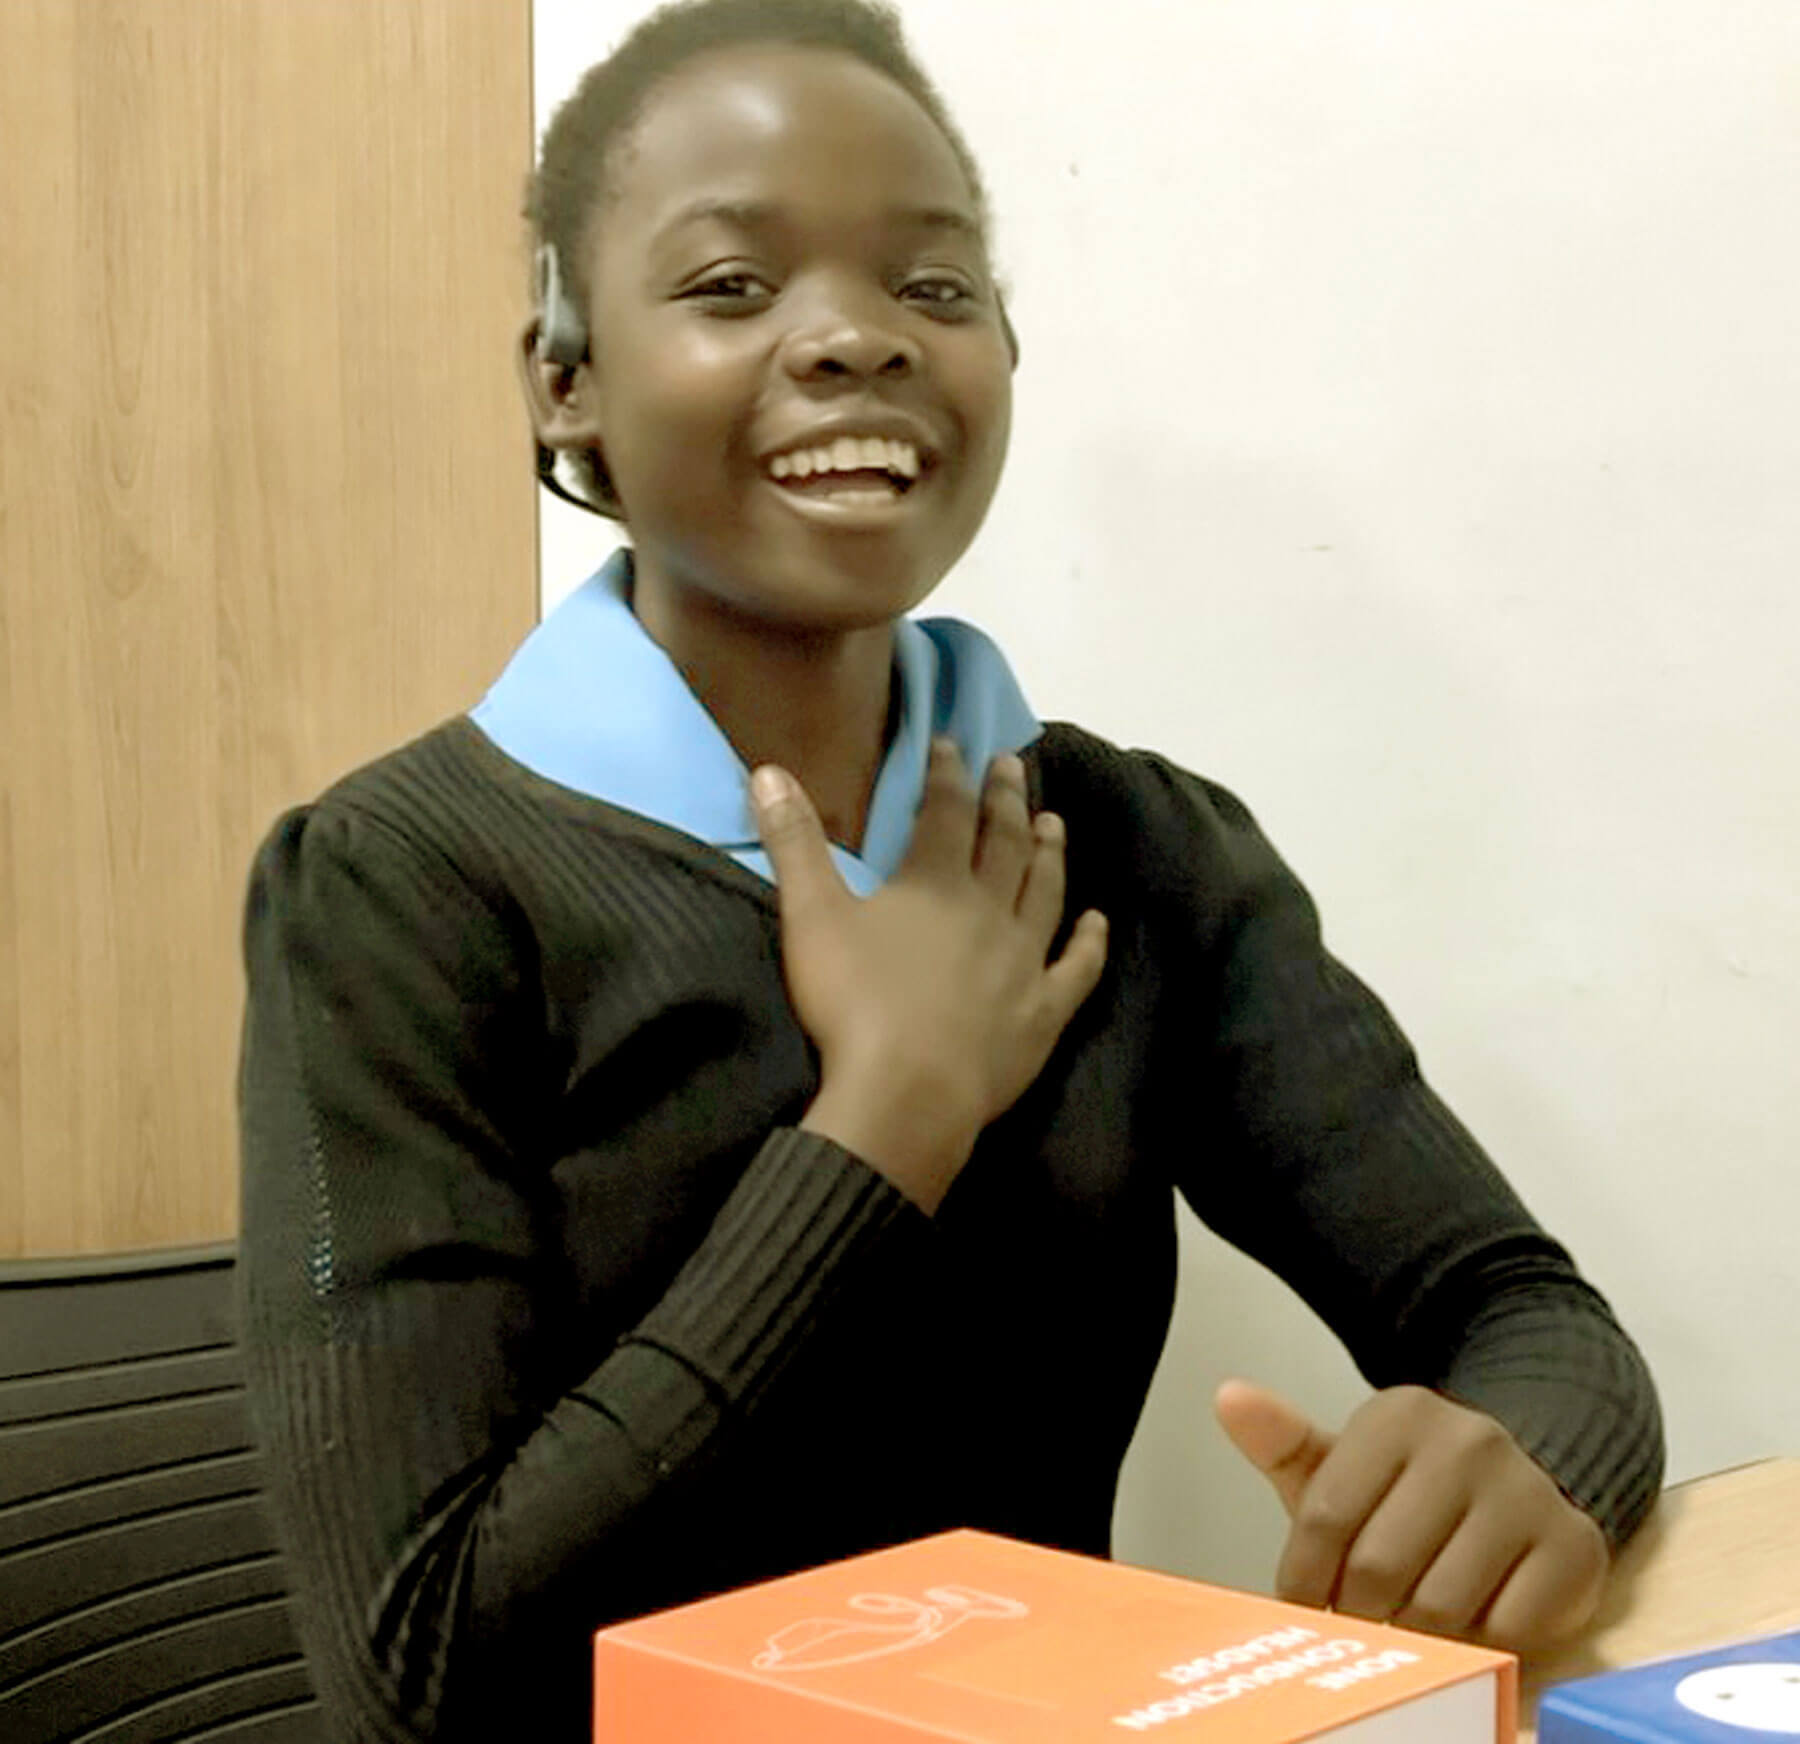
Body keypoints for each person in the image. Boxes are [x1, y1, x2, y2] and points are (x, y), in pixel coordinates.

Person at [236, 1, 1664, 1738]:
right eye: (732, 287)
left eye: (932, 287)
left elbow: (1522, 1312)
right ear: (567, 382)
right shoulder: (400, 888)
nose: (854, 341)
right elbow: (424, 1678)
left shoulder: (1131, 846)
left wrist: (1538, 1476)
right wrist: (886, 1121)